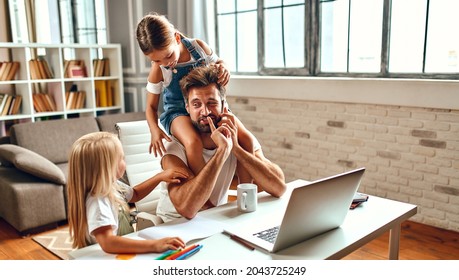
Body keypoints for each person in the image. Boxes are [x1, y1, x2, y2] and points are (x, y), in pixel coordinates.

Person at [156, 65, 287, 222]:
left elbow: (278, 187)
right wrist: (222, 151)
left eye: (211, 103)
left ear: (224, 105)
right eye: (196, 104)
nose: (205, 112)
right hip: (174, 225)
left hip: (215, 220)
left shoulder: (234, 135)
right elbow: (188, 209)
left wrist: (236, 148)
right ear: (187, 108)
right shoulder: (175, 147)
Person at [136, 12, 254, 176]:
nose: (165, 63)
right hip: (178, 112)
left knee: (245, 139)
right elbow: (150, 107)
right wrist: (154, 129)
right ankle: (204, 195)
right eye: (156, 60)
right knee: (193, 142)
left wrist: (224, 67)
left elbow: (220, 62)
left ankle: (245, 192)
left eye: (168, 55)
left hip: (208, 104)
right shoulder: (158, 70)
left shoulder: (198, 48)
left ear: (177, 39)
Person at [67, 131, 186, 254]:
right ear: (108, 167)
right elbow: (108, 243)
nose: (125, 161)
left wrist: (159, 177)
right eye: (122, 158)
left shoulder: (112, 185)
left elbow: (135, 194)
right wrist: (155, 245)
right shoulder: (98, 201)